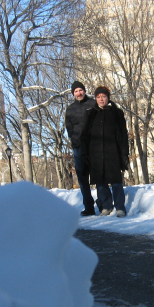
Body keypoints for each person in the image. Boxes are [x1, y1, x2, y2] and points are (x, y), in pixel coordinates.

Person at [81, 86, 129, 218]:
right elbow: (85, 135)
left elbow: (123, 134)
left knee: (116, 181)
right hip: (95, 153)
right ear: (95, 99)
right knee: (100, 182)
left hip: (112, 152)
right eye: (98, 97)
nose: (101, 99)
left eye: (103, 96)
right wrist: (85, 153)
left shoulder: (117, 113)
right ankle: (107, 206)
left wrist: (124, 153)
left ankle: (120, 207)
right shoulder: (91, 114)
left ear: (108, 97)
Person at [65, 80, 100, 216]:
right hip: (79, 147)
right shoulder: (70, 109)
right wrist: (74, 140)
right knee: (82, 178)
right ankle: (89, 207)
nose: (79, 93)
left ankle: (103, 204)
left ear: (84, 91)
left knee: (98, 176)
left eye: (80, 90)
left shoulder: (93, 104)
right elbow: (69, 127)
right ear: (73, 94)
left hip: (94, 146)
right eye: (76, 91)